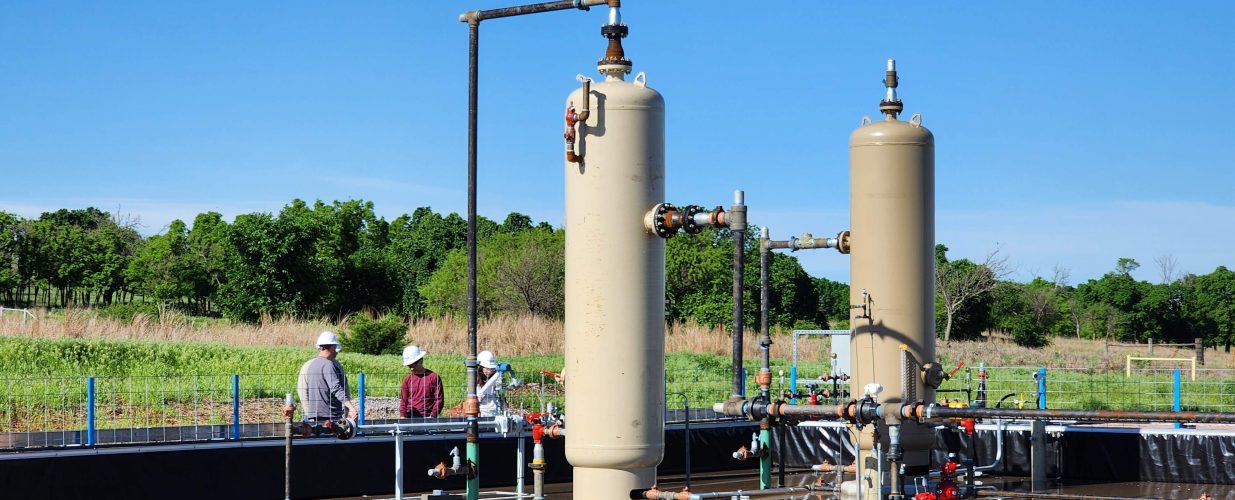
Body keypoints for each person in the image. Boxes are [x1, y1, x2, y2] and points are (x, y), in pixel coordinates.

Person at [294, 331, 358, 422]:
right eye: (335, 348)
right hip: (329, 416)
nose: (336, 352)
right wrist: (351, 407)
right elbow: (336, 388)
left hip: (314, 415)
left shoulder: (312, 365)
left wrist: (308, 413)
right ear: (332, 347)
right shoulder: (328, 365)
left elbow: (304, 390)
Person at [399, 345, 444, 418]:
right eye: (409, 366)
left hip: (428, 417)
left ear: (421, 360)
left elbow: (439, 400)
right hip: (410, 416)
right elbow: (403, 401)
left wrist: (432, 416)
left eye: (413, 364)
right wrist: (402, 416)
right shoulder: (407, 379)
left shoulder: (433, 377)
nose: (412, 368)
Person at [477, 350, 502, 417]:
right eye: (487, 368)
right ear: (481, 367)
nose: (490, 371)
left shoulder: (496, 377)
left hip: (494, 414)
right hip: (481, 415)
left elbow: (500, 395)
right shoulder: (475, 382)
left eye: (492, 369)